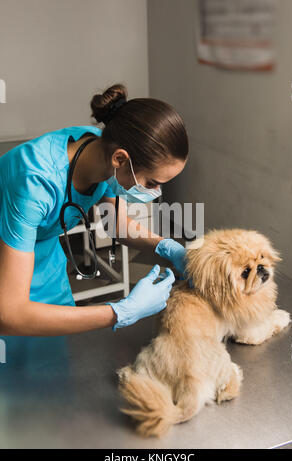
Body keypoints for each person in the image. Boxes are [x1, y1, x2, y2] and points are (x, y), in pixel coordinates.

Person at [0, 83, 189, 377]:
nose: (156, 192)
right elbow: (9, 314)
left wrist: (167, 246)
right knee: (13, 390)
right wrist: (119, 312)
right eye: (152, 183)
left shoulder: (101, 147)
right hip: (5, 272)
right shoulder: (34, 182)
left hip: (45, 267)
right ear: (120, 160)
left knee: (54, 376)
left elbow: (114, 222)